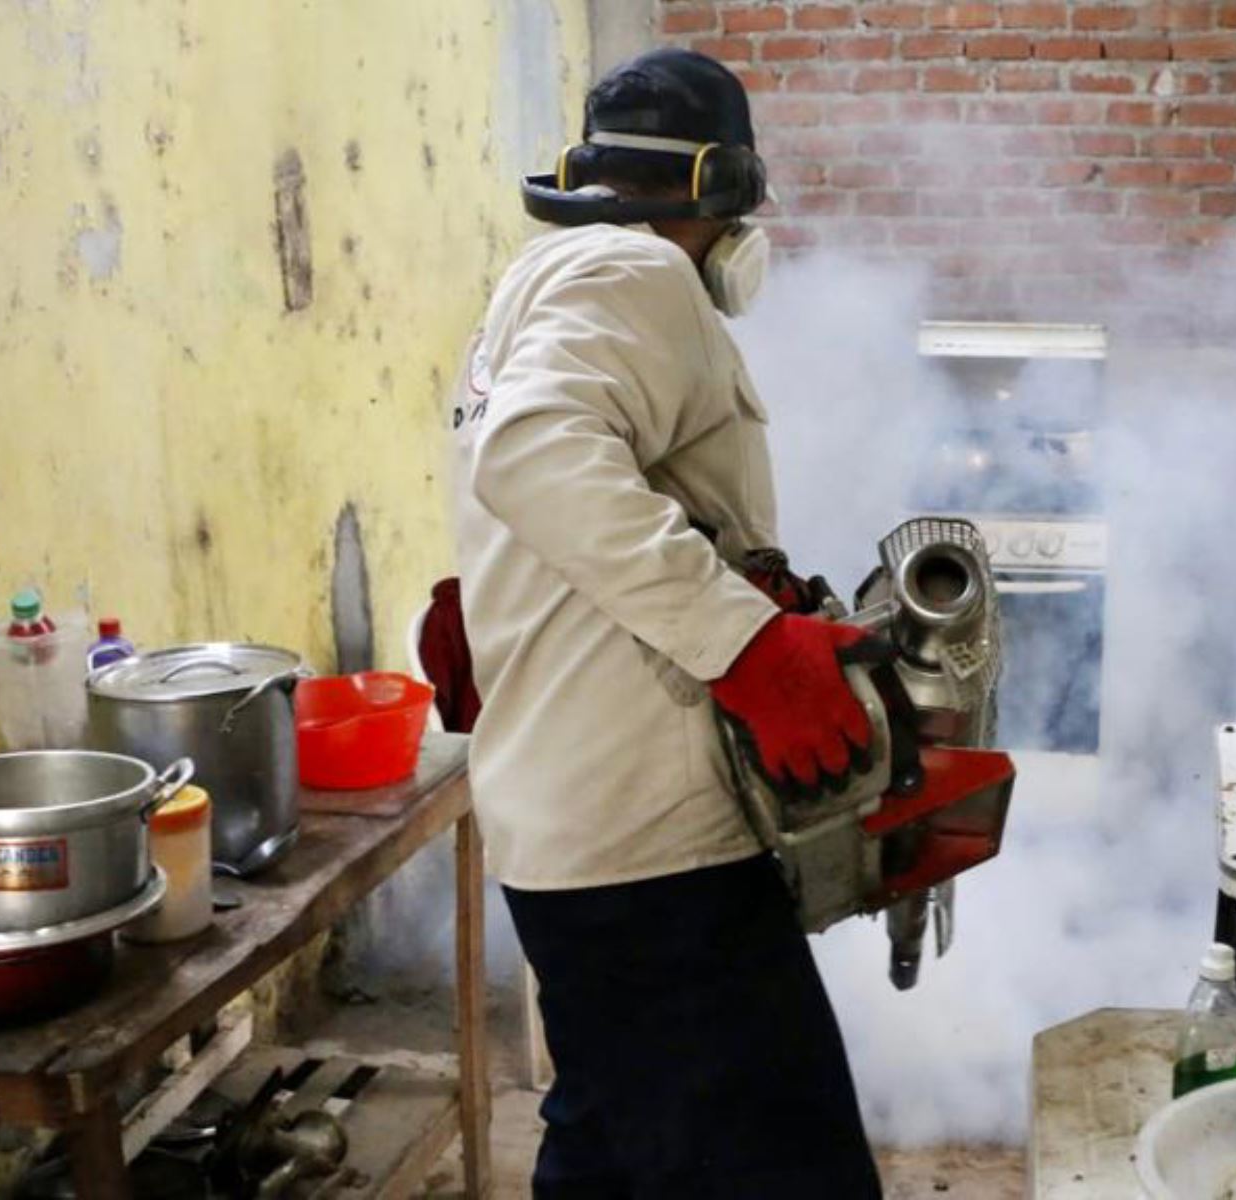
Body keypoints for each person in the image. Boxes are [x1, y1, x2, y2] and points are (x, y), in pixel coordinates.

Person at [447, 47, 884, 1199]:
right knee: (788, 1170)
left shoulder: (541, 277)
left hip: (571, 832)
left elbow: (555, 477)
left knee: (607, 1143)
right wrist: (747, 649)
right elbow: (534, 452)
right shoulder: (638, 281)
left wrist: (482, 610)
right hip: (653, 852)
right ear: (722, 200)